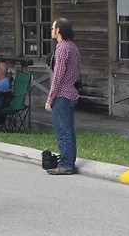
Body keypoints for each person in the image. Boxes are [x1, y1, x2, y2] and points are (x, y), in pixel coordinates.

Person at [45, 18, 81, 176]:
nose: (51, 30)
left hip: (62, 94)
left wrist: (50, 99)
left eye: (53, 28)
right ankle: (69, 161)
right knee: (69, 131)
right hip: (71, 92)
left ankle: (66, 164)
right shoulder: (73, 47)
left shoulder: (61, 48)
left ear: (59, 30)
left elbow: (58, 76)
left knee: (62, 132)